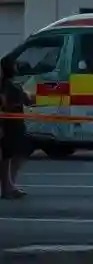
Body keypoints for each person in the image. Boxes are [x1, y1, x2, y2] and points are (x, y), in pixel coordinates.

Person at [1, 55, 35, 200]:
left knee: (11, 155)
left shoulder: (10, 84)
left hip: (14, 124)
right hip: (10, 125)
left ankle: (9, 185)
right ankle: (8, 186)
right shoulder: (9, 85)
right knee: (11, 155)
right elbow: (27, 100)